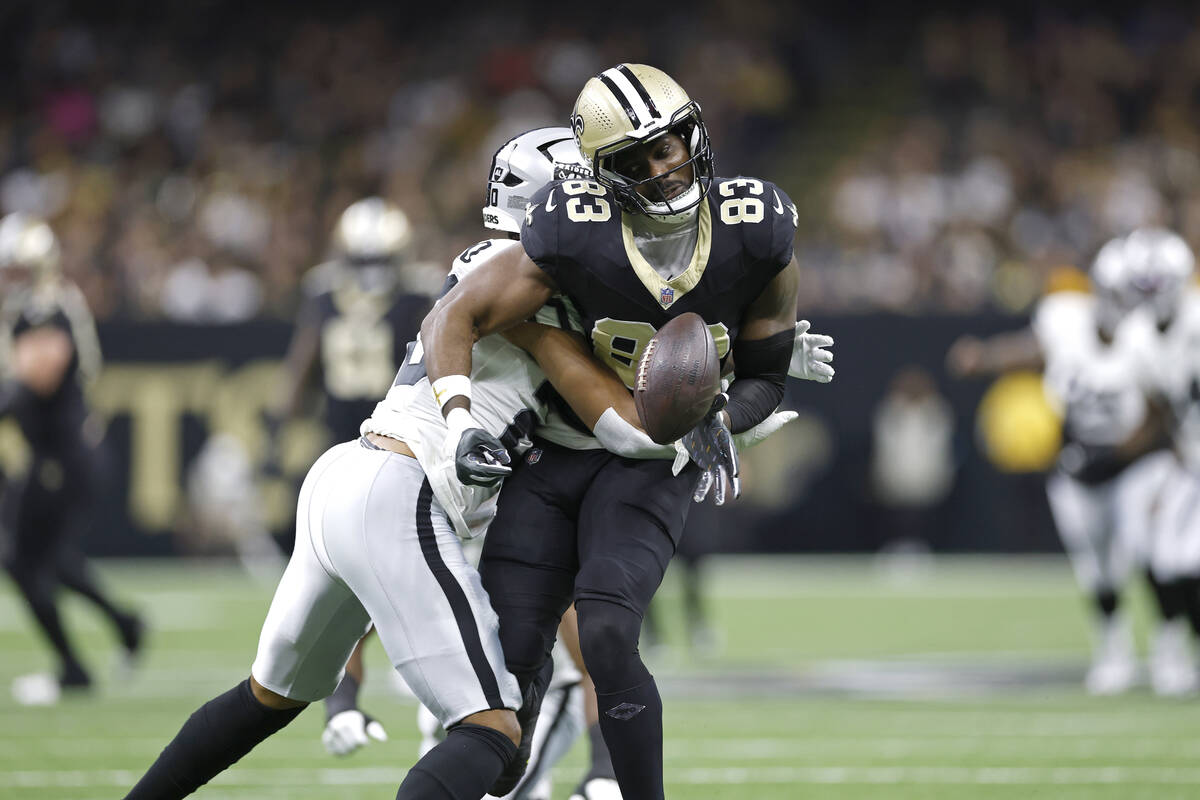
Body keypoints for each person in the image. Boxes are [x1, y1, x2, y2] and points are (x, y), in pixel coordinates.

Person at [121, 118, 799, 800]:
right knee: (494, 733)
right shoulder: (541, 298)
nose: (609, 213)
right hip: (402, 494)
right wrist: (724, 414)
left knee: (264, 701)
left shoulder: (493, 270)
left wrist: (738, 350)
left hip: (343, 477)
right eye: (593, 197)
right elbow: (625, 425)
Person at [420, 64, 820, 800]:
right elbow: (452, 315)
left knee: (605, 633)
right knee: (503, 667)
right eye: (634, 161)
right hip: (553, 450)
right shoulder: (569, 228)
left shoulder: (755, 227)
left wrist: (716, 425)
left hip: (648, 463)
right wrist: (454, 418)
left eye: (669, 146)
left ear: (693, 133)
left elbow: (766, 377)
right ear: (598, 176)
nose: (661, 169)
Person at [947, 234, 1177, 694]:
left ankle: (1170, 651)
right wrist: (986, 358)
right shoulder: (1065, 319)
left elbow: (1161, 412)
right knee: (1097, 567)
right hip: (1078, 458)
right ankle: (1113, 651)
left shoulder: (1148, 339)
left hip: (1135, 461)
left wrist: (1118, 454)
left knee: (1149, 552)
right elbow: (1034, 348)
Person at [0, 212, 144, 705]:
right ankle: (124, 626)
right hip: (50, 454)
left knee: (23, 561)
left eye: (16, 269)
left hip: (61, 455)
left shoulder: (49, 307)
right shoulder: (33, 307)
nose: (9, 278)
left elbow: (37, 377)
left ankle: (73, 667)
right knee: (47, 563)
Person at [1117, 228, 1200, 695]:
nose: (1148, 294)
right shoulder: (1137, 337)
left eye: (1155, 283)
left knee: (1187, 557)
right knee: (1167, 557)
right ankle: (1175, 646)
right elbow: (1161, 411)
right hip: (1188, 458)